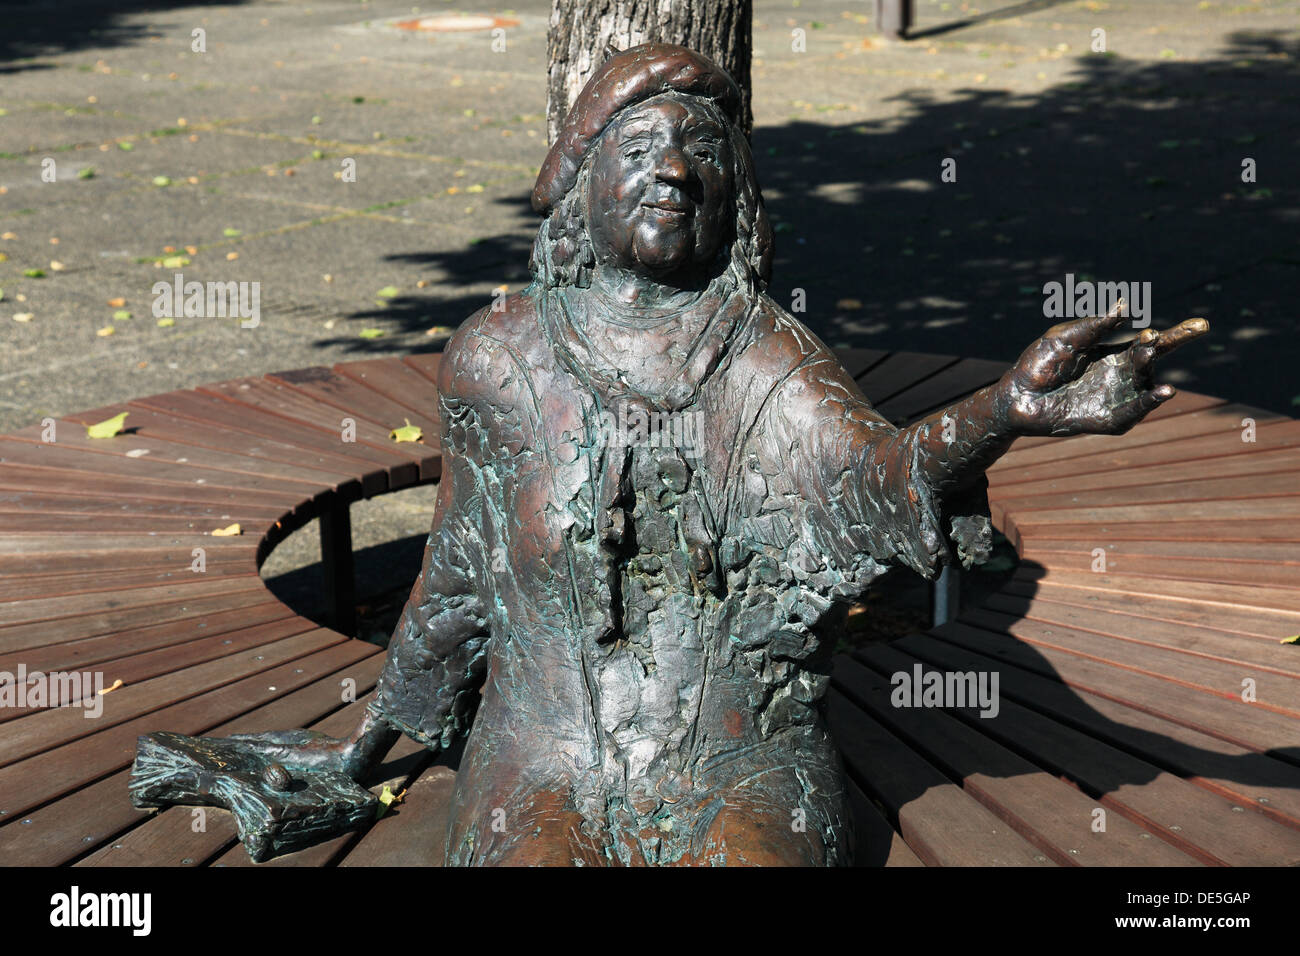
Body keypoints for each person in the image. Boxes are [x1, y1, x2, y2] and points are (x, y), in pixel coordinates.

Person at [219, 43, 1207, 865]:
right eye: (640, 144)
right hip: (540, 751)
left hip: (744, 756)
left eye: (702, 148)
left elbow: (873, 485)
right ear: (585, 185)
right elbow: (458, 573)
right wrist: (363, 752)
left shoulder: (765, 352)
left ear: (733, 189)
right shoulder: (498, 355)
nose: (676, 168)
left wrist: (1001, 408)